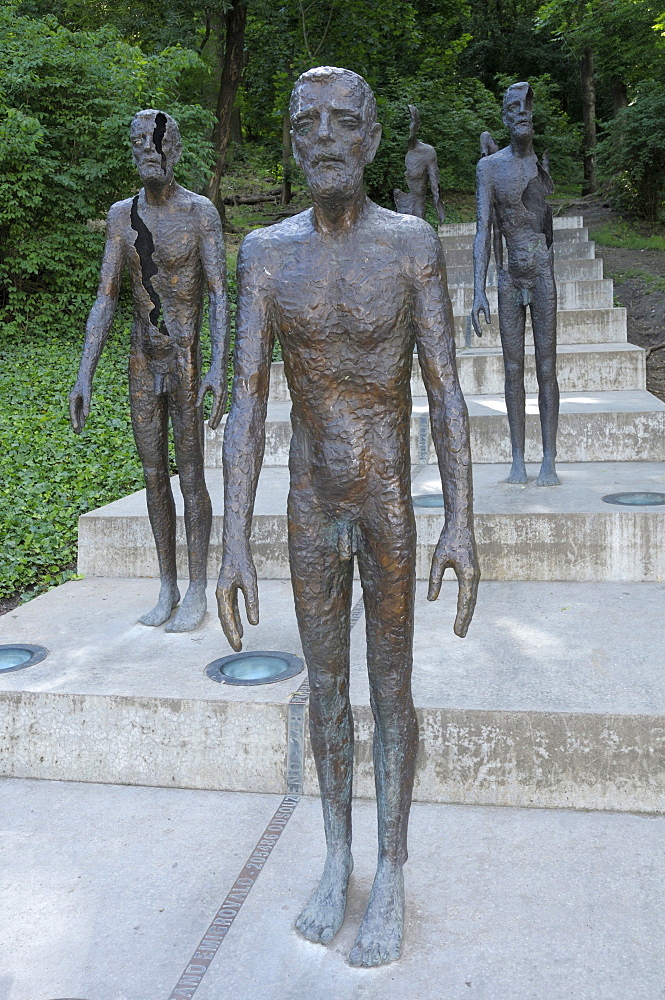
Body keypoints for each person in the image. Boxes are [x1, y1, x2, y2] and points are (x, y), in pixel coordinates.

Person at [216, 67, 479, 967]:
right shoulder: (263, 254)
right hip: (309, 504)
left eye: (343, 122)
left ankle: (392, 868)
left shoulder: (409, 245)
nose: (325, 136)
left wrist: (462, 523)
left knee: (391, 688)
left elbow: (445, 392)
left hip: (386, 504)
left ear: (369, 139)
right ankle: (335, 855)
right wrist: (230, 543)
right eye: (307, 123)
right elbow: (246, 402)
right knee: (325, 690)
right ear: (291, 141)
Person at [69, 109, 229, 631]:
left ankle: (200, 586)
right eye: (138, 141)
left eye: (156, 140)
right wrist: (84, 373)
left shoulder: (201, 213)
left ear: (175, 150)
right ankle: (167, 585)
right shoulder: (122, 216)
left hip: (184, 361)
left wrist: (218, 368)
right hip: (142, 360)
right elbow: (106, 296)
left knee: (192, 478)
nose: (148, 149)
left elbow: (220, 296)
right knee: (153, 476)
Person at [472, 81, 560, 486]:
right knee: (512, 369)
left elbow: (547, 228)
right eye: (514, 107)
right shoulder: (490, 168)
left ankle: (549, 460)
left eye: (528, 106)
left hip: (541, 274)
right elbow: (481, 230)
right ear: (505, 118)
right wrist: (477, 290)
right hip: (509, 279)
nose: (523, 112)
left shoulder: (539, 167)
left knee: (545, 367)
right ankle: (518, 460)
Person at [393, 104, 446, 223]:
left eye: (411, 122)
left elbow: (435, 185)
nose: (408, 128)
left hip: (417, 210)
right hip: (398, 211)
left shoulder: (427, 152)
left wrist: (439, 210)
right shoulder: (390, 151)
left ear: (417, 125)